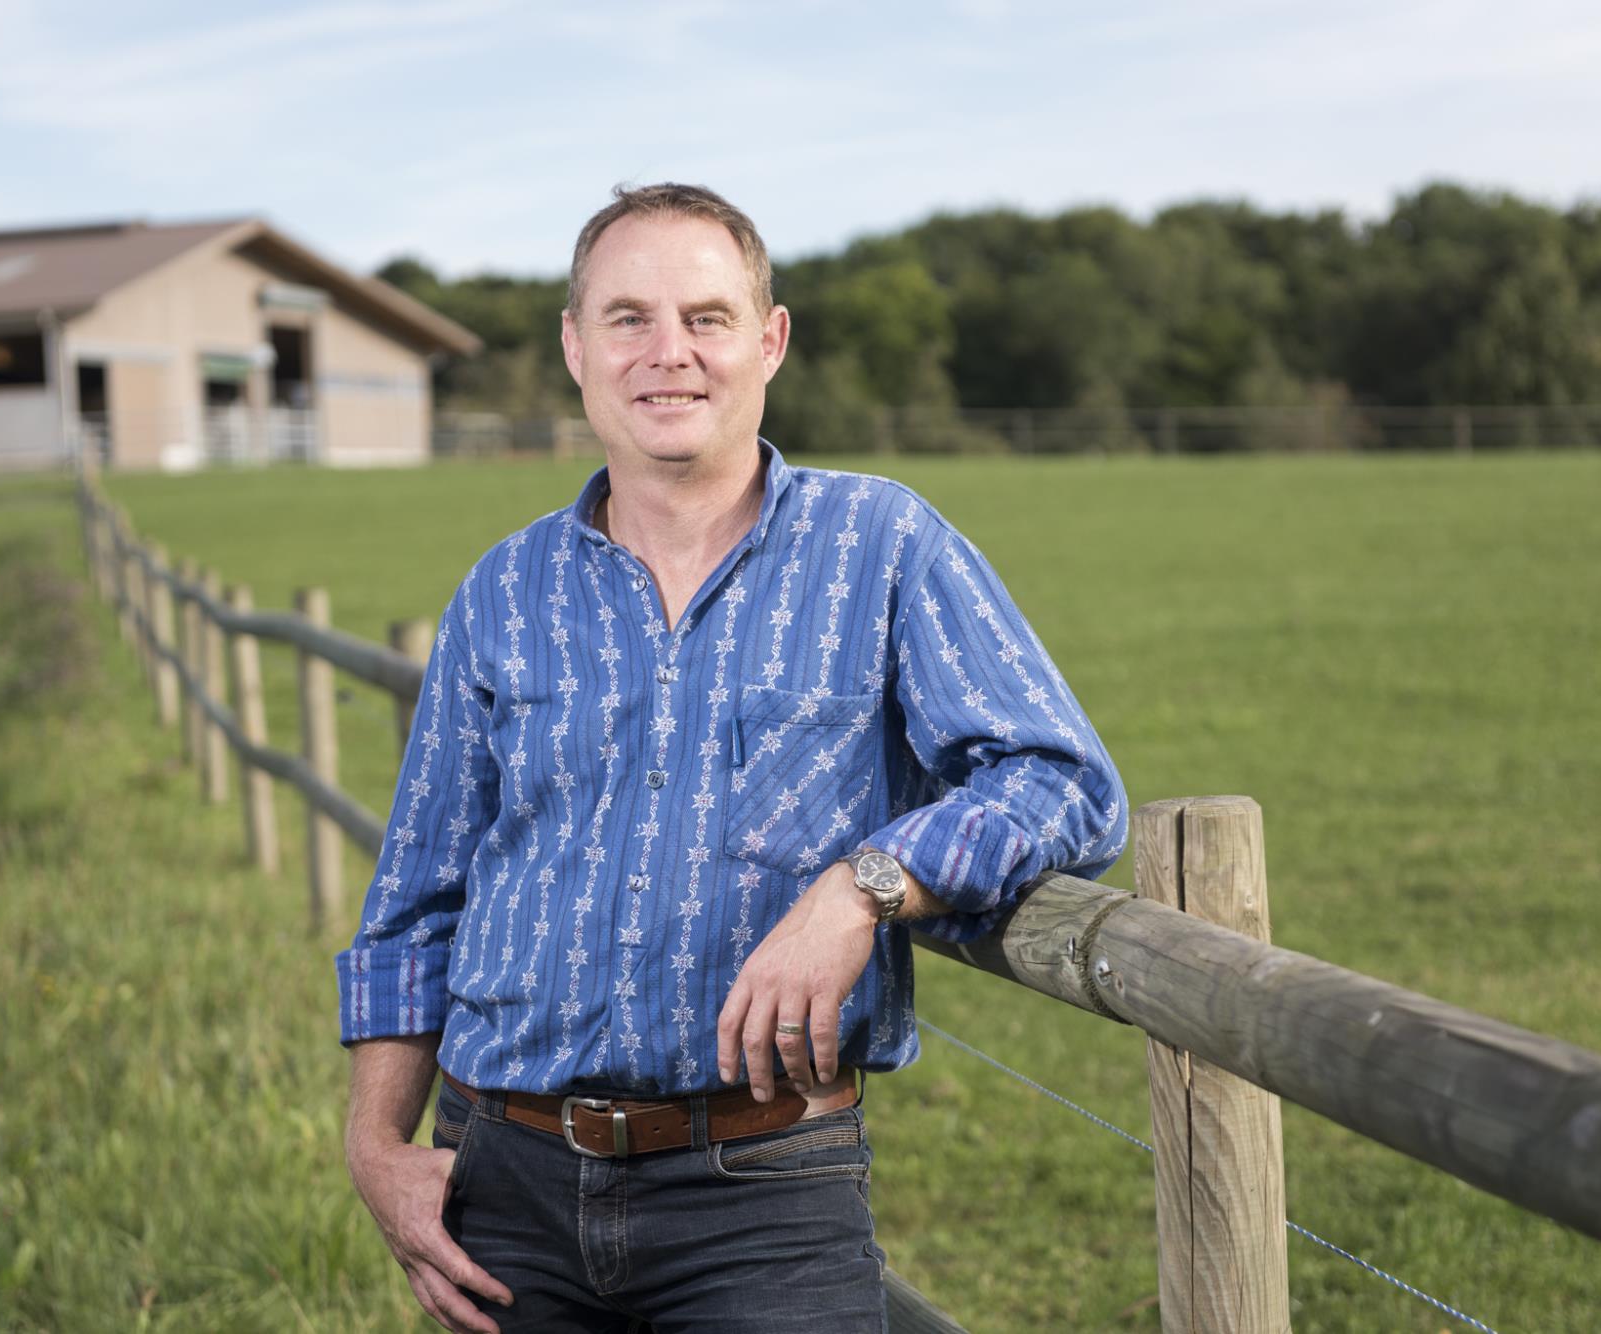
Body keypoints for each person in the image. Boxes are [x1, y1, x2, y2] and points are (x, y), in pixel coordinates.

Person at [339, 183, 1126, 1334]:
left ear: (769, 340)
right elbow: (417, 900)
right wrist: (373, 1145)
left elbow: (1061, 777)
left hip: (759, 1188)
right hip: (501, 1183)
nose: (669, 353)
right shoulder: (502, 591)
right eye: (627, 319)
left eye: (705, 317)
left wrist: (862, 886)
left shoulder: (882, 543)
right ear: (573, 345)